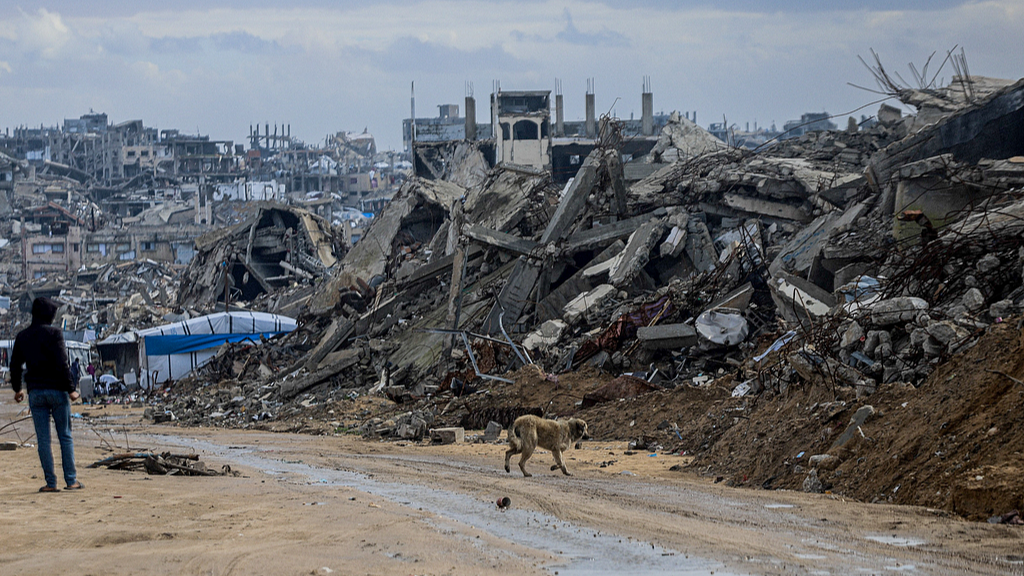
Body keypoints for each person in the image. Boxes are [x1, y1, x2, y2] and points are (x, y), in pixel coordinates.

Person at [10, 297, 83, 492]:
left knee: (43, 440)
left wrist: (18, 389)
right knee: (65, 436)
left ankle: (51, 483)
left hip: (36, 393)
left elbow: (15, 365)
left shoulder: (23, 336)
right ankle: (71, 481)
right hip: (58, 392)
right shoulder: (54, 333)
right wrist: (71, 389)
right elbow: (62, 363)